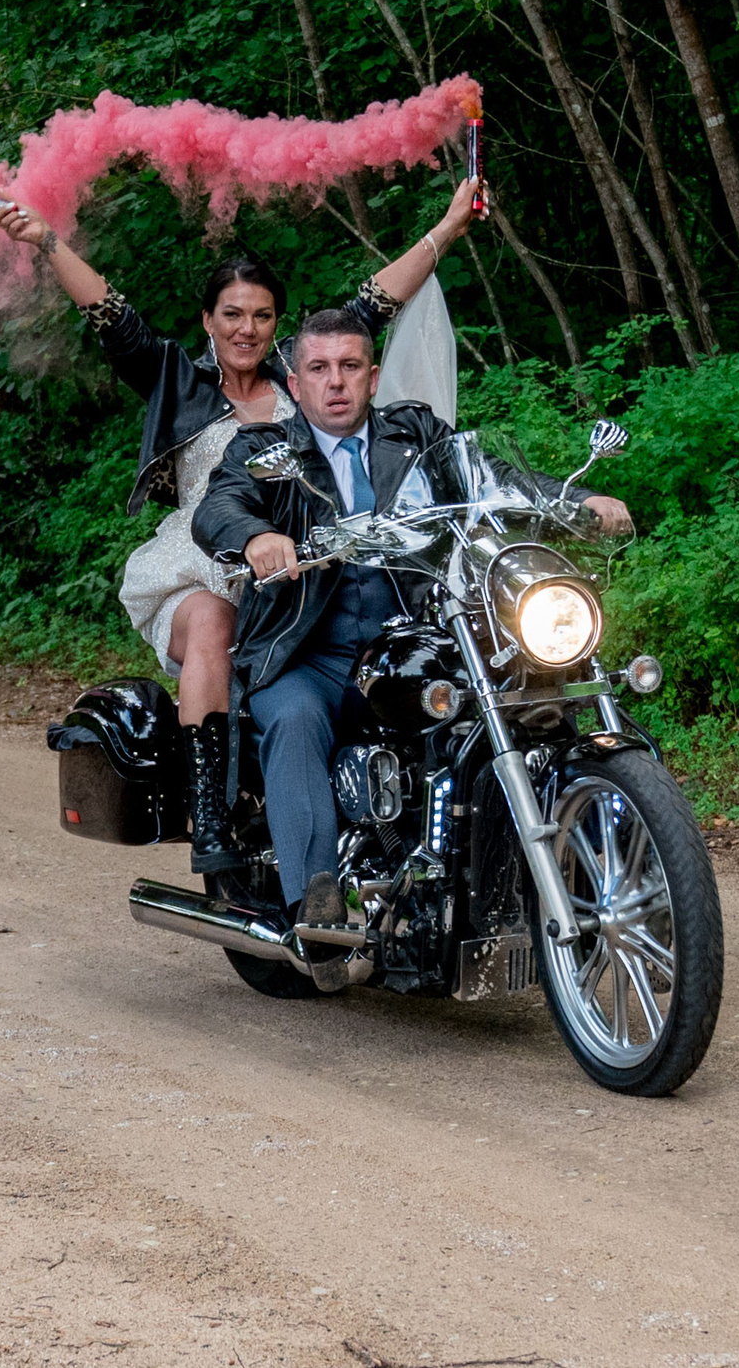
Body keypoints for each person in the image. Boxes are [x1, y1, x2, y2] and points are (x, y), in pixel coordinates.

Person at [0, 177, 491, 875]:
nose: (246, 328)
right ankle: (211, 814)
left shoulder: (303, 375)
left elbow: (374, 302)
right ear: (208, 320)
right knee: (216, 621)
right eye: (231, 314)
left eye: (260, 315)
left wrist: (449, 227)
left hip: (303, 566)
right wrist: (46, 240)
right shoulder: (177, 378)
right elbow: (109, 312)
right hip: (204, 556)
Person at [192, 311, 632, 987]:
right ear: (295, 381)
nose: (334, 382)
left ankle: (619, 882)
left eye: (348, 367)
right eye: (318, 369)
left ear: (372, 375)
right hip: (310, 650)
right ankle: (318, 897)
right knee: (296, 717)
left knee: (536, 689)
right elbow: (219, 506)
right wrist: (256, 538)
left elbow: (487, 479)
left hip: (418, 637)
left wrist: (578, 498)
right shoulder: (265, 449)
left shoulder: (414, 434)